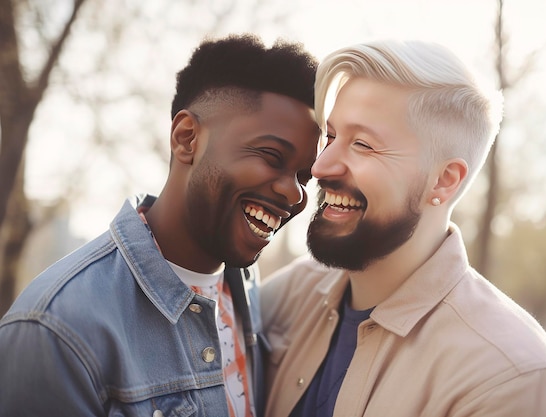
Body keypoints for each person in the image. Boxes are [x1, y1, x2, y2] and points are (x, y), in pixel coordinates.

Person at [0, 33, 320, 417]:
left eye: (303, 176)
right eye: (271, 156)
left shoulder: (246, 292)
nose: (294, 194)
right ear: (187, 138)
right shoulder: (58, 328)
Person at [261, 39, 546, 416]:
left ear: (444, 181)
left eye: (363, 145)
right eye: (331, 137)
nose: (321, 167)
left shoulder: (514, 379)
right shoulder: (287, 297)